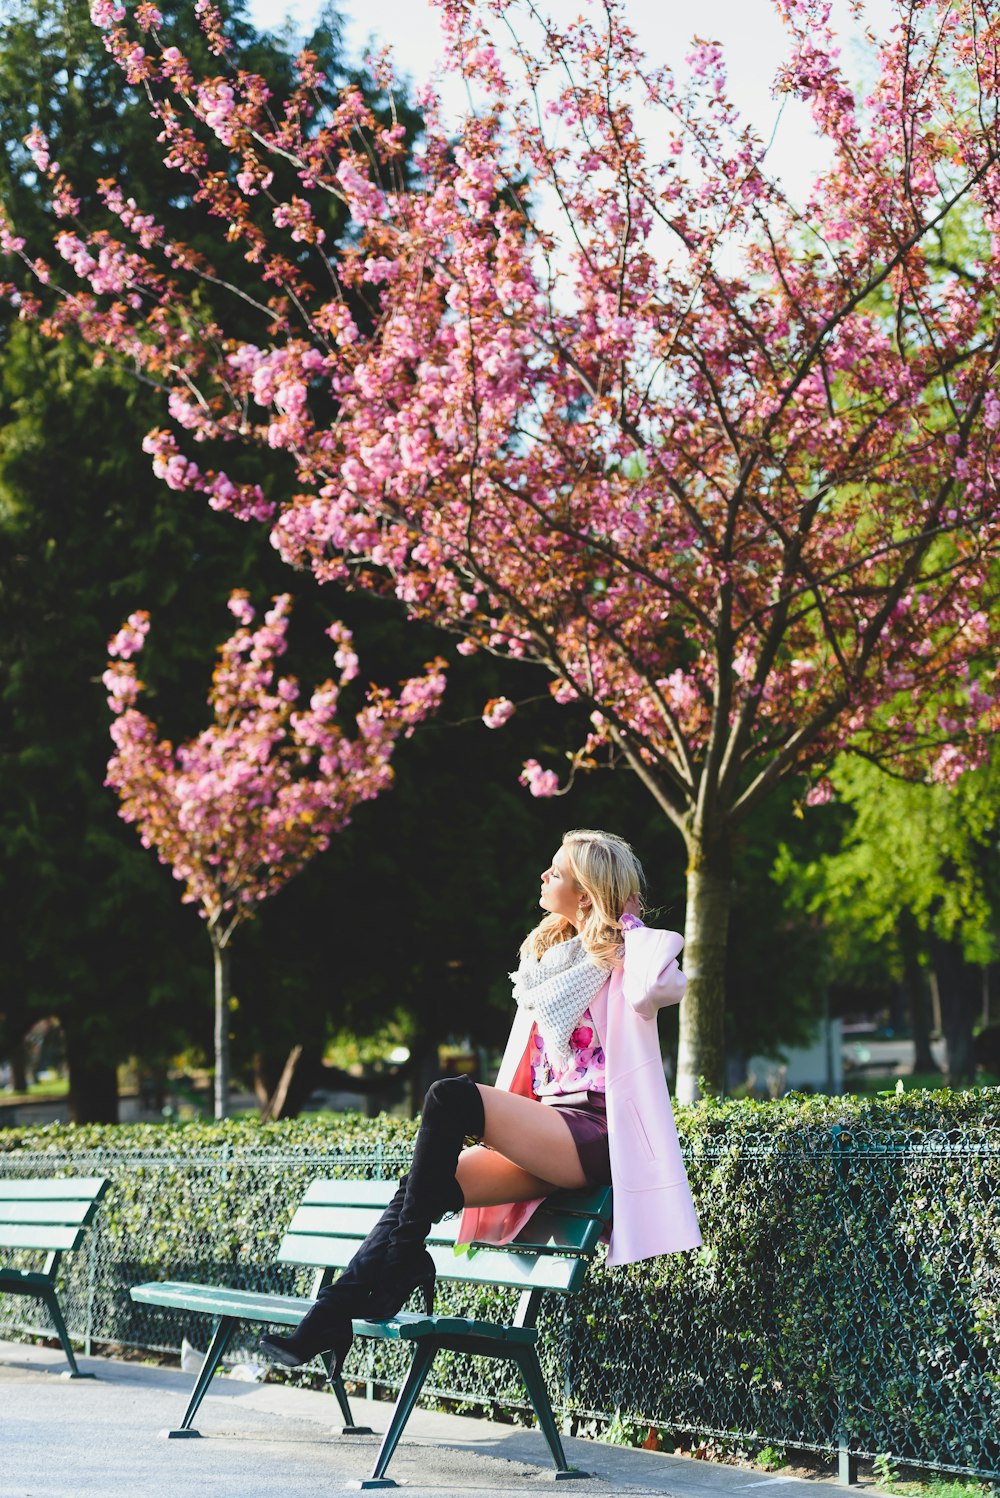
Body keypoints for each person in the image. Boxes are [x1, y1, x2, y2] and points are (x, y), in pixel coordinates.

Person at [260, 828, 702, 1376]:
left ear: (587, 893)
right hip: (548, 1131)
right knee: (421, 1190)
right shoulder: (553, 964)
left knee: (450, 1097)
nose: (544, 876)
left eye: (557, 871)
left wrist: (631, 928)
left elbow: (655, 990)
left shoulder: (629, 957)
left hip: (593, 1133)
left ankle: (401, 1266)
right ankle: (328, 1317)